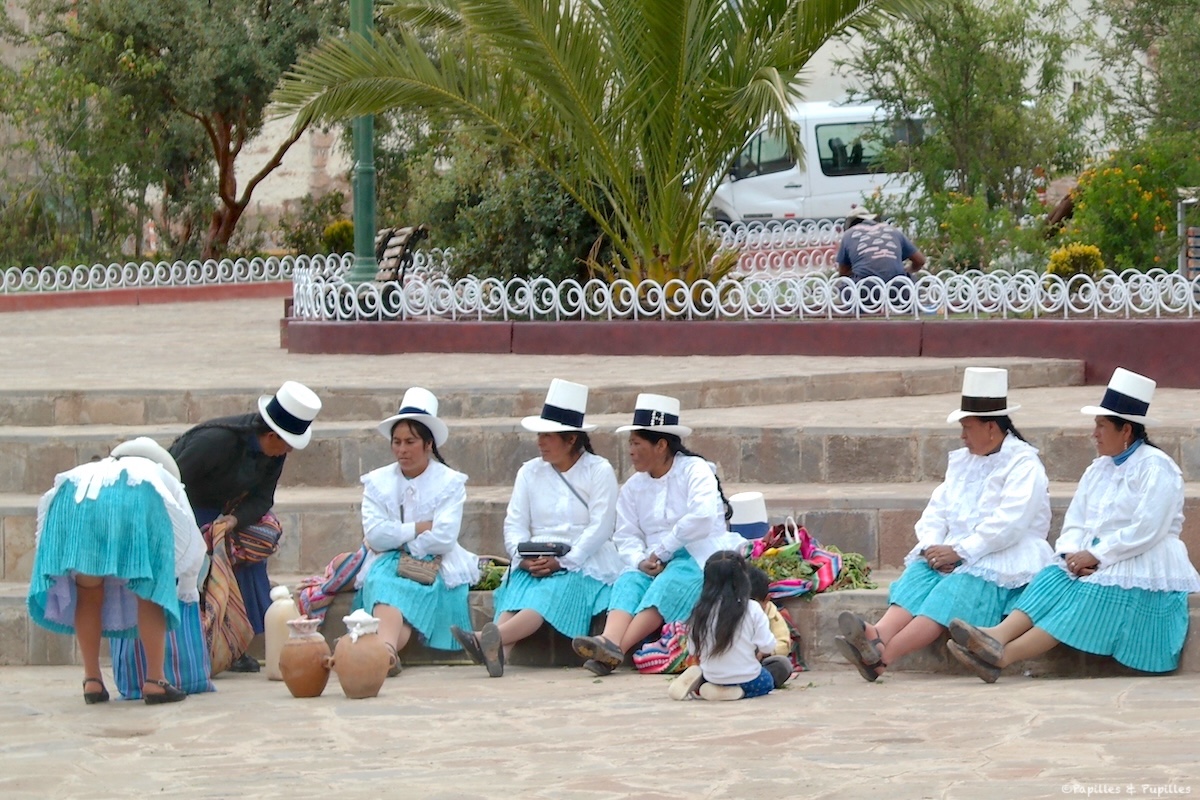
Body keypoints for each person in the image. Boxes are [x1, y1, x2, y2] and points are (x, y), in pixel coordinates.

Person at [948, 368, 1200, 681]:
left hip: (1142, 560)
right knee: (1053, 576)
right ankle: (998, 635)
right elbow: (1077, 520)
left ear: (1126, 431)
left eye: (1102, 426)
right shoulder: (1098, 470)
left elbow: (1147, 528)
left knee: (1087, 597)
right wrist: (1071, 553)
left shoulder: (1156, 467)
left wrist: (1098, 556)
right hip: (1099, 556)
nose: (1094, 433)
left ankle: (1004, 657)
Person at [835, 367, 1053, 682]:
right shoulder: (964, 463)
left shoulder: (1023, 464)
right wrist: (933, 547)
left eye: (967, 428)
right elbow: (938, 508)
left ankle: (883, 657)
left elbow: (1009, 524)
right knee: (921, 572)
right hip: (960, 551)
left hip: (1004, 556)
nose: (962, 436)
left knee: (955, 589)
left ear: (991, 427)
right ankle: (877, 633)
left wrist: (962, 551)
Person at [451, 379, 621, 677]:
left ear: (571, 439)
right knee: (517, 587)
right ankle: (498, 651)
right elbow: (515, 523)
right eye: (540, 435)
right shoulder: (529, 472)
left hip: (582, 559)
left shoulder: (598, 470)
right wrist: (522, 555)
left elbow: (601, 526)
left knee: (548, 593)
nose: (541, 442)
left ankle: (484, 640)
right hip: (536, 554)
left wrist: (564, 560)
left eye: (548, 435)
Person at [571, 393, 744, 676]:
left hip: (698, 555)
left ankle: (617, 650)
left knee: (671, 584)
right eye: (630, 443)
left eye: (637, 443)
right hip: (652, 560)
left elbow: (701, 517)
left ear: (661, 445)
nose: (631, 451)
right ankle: (608, 640)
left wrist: (664, 549)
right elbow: (626, 535)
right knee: (629, 580)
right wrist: (640, 560)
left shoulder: (695, 471)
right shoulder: (633, 488)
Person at [26, 437, 204, 705]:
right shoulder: (158, 478)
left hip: (73, 501)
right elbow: (192, 544)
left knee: (88, 591)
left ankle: (92, 680)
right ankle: (156, 681)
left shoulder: (88, 470)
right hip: (135, 502)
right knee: (149, 588)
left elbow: (50, 504)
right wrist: (187, 588)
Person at [169, 380, 322, 673]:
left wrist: (234, 521)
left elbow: (262, 499)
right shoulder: (215, 441)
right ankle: (202, 641)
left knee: (253, 550)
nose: (287, 451)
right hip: (189, 508)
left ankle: (237, 640)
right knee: (209, 558)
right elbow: (174, 480)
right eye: (286, 443)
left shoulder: (274, 457)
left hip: (228, 512)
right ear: (270, 435)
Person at [357, 388, 479, 676]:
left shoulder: (449, 483)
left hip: (432, 562)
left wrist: (400, 538)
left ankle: (380, 651)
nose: (402, 449)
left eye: (410, 442)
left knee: (409, 591)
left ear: (428, 444)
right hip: (386, 560)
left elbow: (444, 537)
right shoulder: (378, 482)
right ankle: (386, 652)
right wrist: (419, 527)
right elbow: (374, 534)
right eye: (396, 442)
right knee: (385, 586)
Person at [667, 551, 780, 701]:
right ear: (743, 579)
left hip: (712, 677)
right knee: (771, 676)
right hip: (748, 679)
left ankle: (703, 683)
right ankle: (737, 692)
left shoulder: (700, 610)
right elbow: (768, 646)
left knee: (708, 672)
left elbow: (693, 649)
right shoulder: (752, 608)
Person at [836, 208, 926, 283]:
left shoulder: (849, 234)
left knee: (845, 285)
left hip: (865, 291)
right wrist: (906, 270)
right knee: (911, 281)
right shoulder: (893, 231)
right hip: (898, 290)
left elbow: (843, 273)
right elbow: (920, 261)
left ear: (849, 224)